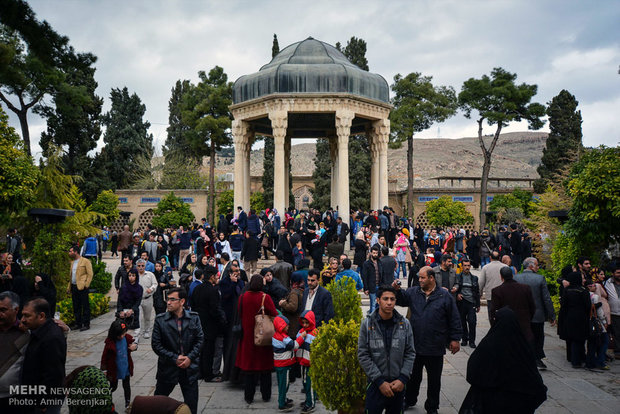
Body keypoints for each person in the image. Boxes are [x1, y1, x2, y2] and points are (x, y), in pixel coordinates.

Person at [393, 266, 462, 414]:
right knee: (413, 377)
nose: (420, 280)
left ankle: (432, 406)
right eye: (419, 278)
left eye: (423, 278)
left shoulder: (444, 296)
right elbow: (401, 300)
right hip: (415, 345)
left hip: (435, 345)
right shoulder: (414, 292)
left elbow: (454, 318)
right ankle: (409, 399)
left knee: (434, 380)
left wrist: (455, 338)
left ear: (431, 278)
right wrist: (396, 290)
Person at [459, 307, 547, 414]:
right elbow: (534, 379)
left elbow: (473, 370)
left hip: (490, 402)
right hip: (517, 403)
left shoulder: (488, 344)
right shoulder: (522, 347)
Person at [358, 285, 416, 414]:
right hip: (375, 384)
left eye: (392, 299)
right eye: (385, 299)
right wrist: (379, 381)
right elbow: (363, 354)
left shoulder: (404, 324)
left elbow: (410, 352)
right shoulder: (367, 324)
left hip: (398, 384)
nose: (389, 303)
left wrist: (403, 378)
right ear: (378, 300)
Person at [152, 287, 204, 414]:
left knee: (191, 406)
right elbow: (156, 345)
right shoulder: (160, 320)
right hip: (168, 368)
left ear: (182, 302)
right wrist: (174, 358)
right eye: (167, 299)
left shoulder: (193, 318)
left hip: (189, 369)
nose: (168, 302)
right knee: (156, 404)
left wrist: (189, 358)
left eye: (172, 299)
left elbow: (200, 340)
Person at [236, 275, 278, 404]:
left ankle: (249, 396)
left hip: (248, 338)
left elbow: (239, 313)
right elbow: (274, 314)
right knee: (265, 369)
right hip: (263, 338)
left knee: (249, 370)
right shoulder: (265, 297)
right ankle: (266, 395)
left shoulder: (242, 297)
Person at [20, 298, 67, 414]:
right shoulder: (40, 331)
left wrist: (43, 401)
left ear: (41, 316)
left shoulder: (51, 338)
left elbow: (53, 374)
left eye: (27, 316)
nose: (23, 320)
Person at [514, 257, 556, 369]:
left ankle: (522, 358)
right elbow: (546, 298)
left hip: (520, 315)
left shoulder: (516, 278)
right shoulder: (540, 278)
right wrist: (552, 315)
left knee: (522, 337)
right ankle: (537, 359)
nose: (538, 267)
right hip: (537, 314)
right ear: (531, 266)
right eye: (537, 265)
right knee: (538, 337)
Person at [190, 265, 224, 382]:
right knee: (209, 350)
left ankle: (201, 372)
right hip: (210, 325)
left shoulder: (197, 289)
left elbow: (192, 306)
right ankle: (208, 375)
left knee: (201, 349)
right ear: (212, 277)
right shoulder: (213, 291)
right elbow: (214, 310)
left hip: (198, 323)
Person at [490, 267, 536, 347]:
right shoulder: (525, 288)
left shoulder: (497, 291)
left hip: (506, 326)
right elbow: (532, 307)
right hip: (523, 323)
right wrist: (528, 318)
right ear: (512, 275)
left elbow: (494, 311)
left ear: (501, 277)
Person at [101, 319, 137, 410]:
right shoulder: (110, 342)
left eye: (124, 333)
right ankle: (106, 400)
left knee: (126, 385)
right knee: (113, 386)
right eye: (120, 335)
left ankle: (128, 403)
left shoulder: (127, 338)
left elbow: (134, 344)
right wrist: (104, 369)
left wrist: (135, 347)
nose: (122, 336)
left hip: (125, 366)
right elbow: (104, 357)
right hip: (114, 368)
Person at [558, 272, 591, 368]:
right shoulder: (583, 291)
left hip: (569, 316)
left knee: (571, 338)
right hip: (581, 317)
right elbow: (588, 306)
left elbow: (563, 304)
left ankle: (572, 357)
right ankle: (577, 360)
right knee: (579, 339)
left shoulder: (567, 290)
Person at [273, 315, 303, 412]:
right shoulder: (283, 337)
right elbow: (294, 345)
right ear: (281, 326)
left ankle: (283, 399)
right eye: (286, 325)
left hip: (278, 365)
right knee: (284, 385)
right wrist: (301, 337)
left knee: (281, 383)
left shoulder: (275, 335)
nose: (288, 327)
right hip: (284, 364)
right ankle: (282, 404)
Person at [67, 244, 94, 331]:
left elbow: (90, 274)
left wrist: (86, 284)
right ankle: (78, 323)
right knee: (76, 306)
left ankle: (86, 324)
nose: (69, 253)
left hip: (82, 287)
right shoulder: (72, 262)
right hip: (74, 286)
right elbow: (71, 276)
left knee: (85, 306)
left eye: (71, 251)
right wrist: (69, 287)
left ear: (76, 252)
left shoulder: (85, 261)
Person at [296, 311, 318, 414]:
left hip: (311, 363)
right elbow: (296, 343)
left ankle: (311, 403)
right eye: (303, 323)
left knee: (310, 384)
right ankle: (308, 400)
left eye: (306, 323)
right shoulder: (301, 331)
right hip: (302, 362)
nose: (304, 325)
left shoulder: (315, 333)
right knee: (305, 383)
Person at [585, 279, 610, 370]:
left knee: (591, 344)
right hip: (597, 323)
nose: (595, 287)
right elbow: (599, 312)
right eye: (593, 285)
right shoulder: (594, 297)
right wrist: (604, 322)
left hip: (587, 322)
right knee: (604, 341)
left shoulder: (584, 295)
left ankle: (590, 362)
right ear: (589, 287)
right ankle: (600, 362)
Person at [456, 260, 480, 348]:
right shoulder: (458, 277)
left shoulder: (474, 278)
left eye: (468, 265)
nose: (467, 267)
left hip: (471, 302)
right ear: (462, 266)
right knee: (462, 322)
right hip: (462, 302)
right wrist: (457, 294)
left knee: (472, 322)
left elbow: (477, 291)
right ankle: (464, 339)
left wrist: (478, 304)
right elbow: (455, 287)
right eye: (465, 265)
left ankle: (472, 340)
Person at [478, 251, 507, 322]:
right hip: (504, 295)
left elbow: (481, 282)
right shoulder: (505, 267)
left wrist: (480, 293)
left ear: (490, 257)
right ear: (499, 258)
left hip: (490, 295)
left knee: (492, 315)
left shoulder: (485, 268)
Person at [136, 259, 157, 339]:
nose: (141, 267)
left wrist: (151, 289)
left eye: (142, 266)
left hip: (148, 298)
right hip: (138, 299)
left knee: (147, 317)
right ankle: (138, 332)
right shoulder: (134, 275)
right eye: (139, 266)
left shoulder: (150, 275)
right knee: (138, 316)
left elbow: (155, 284)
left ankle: (147, 331)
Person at [362, 246, 384, 315]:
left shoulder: (380, 262)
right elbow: (364, 276)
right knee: (373, 304)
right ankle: (372, 320)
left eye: (376, 253)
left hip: (380, 285)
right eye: (374, 253)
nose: (375, 254)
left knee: (379, 304)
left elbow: (382, 274)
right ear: (371, 253)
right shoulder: (367, 263)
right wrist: (366, 288)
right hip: (372, 286)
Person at [604, 266, 620, 358]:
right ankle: (617, 352)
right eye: (618, 273)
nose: (619, 275)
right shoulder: (607, 283)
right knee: (617, 333)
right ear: (613, 274)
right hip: (614, 312)